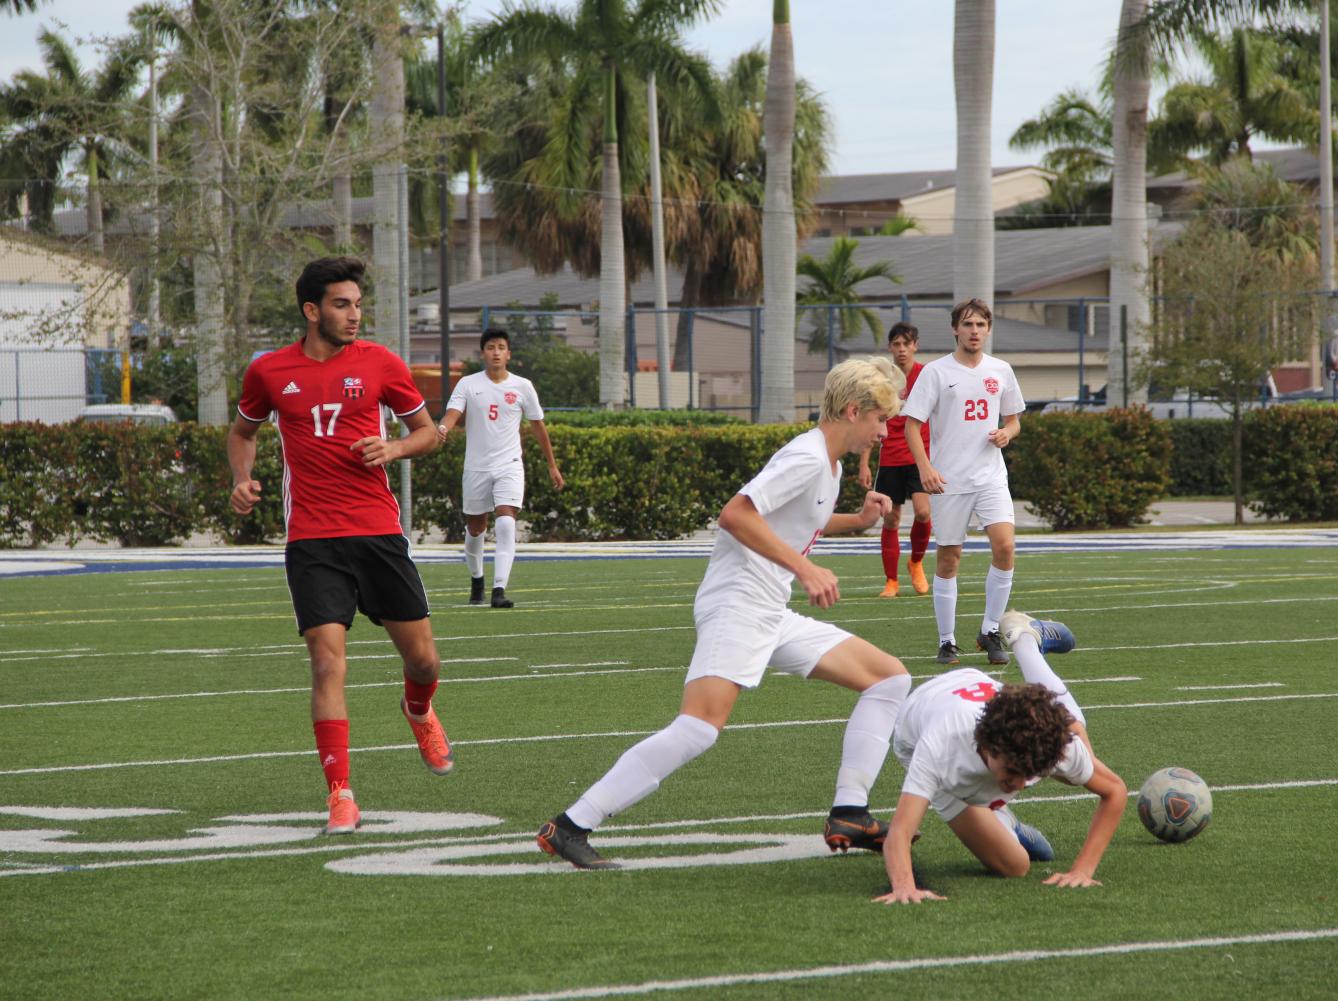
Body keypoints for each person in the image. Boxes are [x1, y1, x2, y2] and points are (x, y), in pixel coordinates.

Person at [536, 357, 915, 869]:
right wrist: (805, 571)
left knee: (889, 678)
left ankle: (850, 812)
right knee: (698, 728)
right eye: (879, 420)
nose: (882, 432)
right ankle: (573, 824)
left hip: (768, 609)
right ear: (852, 411)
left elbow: (798, 523)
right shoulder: (805, 457)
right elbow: (736, 515)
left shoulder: (831, 463)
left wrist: (859, 520)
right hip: (738, 603)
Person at [227, 256, 453, 836]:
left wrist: (394, 450)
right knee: (327, 663)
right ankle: (340, 796)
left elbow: (429, 433)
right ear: (311, 310)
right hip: (312, 539)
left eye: (357, 304)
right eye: (341, 304)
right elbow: (242, 433)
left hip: (377, 530)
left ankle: (419, 709)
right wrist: (241, 478)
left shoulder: (381, 363)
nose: (354, 315)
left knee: (424, 661)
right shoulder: (270, 372)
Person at [876, 611, 1128, 904]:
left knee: (1077, 745)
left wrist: (1083, 870)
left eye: (1030, 773)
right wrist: (904, 886)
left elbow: (1115, 791)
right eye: (1013, 771)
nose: (1020, 785)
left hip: (985, 702)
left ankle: (1025, 641)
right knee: (1014, 866)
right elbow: (900, 831)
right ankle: (1003, 819)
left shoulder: (1042, 748)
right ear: (989, 745)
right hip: (921, 718)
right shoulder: (941, 746)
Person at [902, 298, 1026, 667]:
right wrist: (925, 468)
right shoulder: (937, 372)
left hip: (990, 476)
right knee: (949, 557)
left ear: (988, 329)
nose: (974, 331)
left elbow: (1015, 420)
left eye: (981, 325)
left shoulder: (1001, 370)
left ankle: (989, 631)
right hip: (949, 480)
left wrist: (1007, 432)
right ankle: (946, 640)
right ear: (955, 329)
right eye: (967, 325)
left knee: (1005, 547)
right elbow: (912, 424)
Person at [436, 328, 564, 609]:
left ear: (509, 354)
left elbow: (538, 426)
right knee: (475, 527)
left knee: (506, 521)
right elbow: (453, 413)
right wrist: (443, 427)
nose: (496, 352)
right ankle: (477, 578)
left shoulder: (522, 386)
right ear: (483, 353)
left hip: (510, 465)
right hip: (477, 468)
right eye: (491, 347)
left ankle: (499, 589)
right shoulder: (468, 384)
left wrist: (551, 465)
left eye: (501, 347)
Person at [856, 322, 933, 599]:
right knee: (891, 518)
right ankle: (891, 581)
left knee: (924, 513)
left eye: (906, 344)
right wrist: (865, 462)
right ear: (890, 347)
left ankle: (916, 562)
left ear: (915, 346)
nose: (901, 349)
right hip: (889, 458)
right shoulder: (882, 379)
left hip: (919, 455)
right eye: (896, 344)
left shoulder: (927, 375)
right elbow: (871, 419)